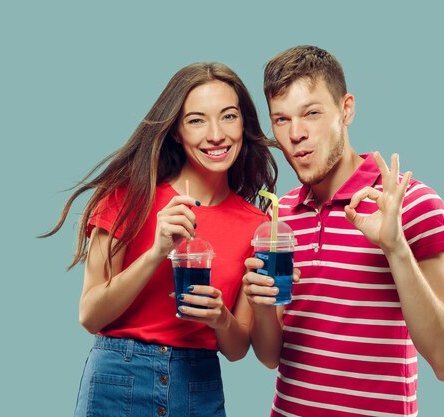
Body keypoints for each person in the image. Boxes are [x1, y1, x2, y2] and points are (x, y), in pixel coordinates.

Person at [243, 45, 444, 417]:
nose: (296, 134)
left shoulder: (409, 203)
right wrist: (262, 306)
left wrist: (396, 248)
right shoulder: (278, 215)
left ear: (346, 110)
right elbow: (272, 357)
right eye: (281, 120)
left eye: (311, 113)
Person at [42, 62, 278, 417]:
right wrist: (156, 252)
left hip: (197, 384)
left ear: (244, 123)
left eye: (228, 116)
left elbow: (237, 348)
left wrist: (220, 318)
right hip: (118, 378)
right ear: (177, 132)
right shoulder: (129, 196)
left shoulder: (256, 225)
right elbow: (90, 315)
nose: (216, 134)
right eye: (196, 120)